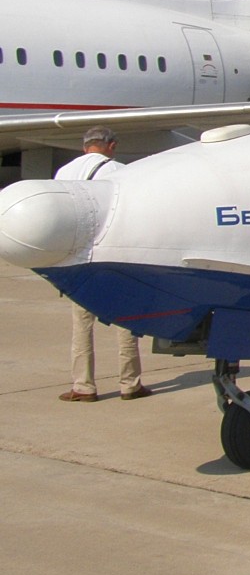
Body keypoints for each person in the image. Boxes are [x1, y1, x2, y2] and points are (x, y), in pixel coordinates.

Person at [54, 126, 151, 402]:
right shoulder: (120, 171)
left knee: (82, 326)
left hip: (79, 258)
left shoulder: (64, 172)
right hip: (113, 258)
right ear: (111, 146)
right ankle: (130, 383)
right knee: (124, 322)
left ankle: (83, 386)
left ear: (86, 147)